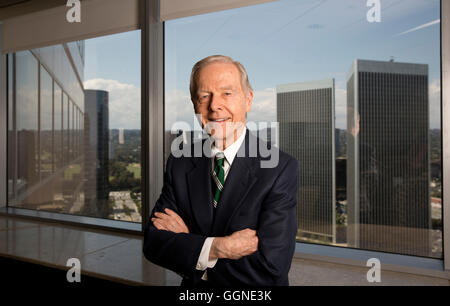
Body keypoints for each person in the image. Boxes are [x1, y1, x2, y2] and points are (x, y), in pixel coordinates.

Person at [143, 55, 298, 286]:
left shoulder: (278, 167)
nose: (214, 106)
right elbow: (154, 244)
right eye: (204, 96)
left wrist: (190, 244)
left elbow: (270, 268)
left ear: (248, 99)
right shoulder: (180, 162)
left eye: (227, 93)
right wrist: (219, 247)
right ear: (195, 104)